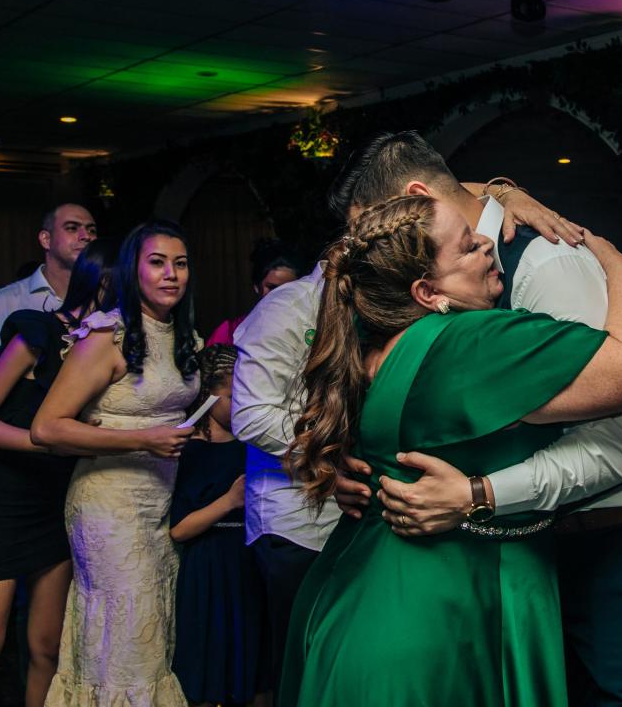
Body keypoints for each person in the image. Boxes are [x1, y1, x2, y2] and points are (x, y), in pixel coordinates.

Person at [328, 131, 622, 707]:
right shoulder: (434, 294)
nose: (377, 253)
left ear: (418, 199)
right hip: (517, 552)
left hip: (613, 533)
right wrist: (355, 462)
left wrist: (476, 494)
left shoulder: (547, 265)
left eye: (385, 227)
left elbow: (614, 442)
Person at [229, 156, 582, 697]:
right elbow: (255, 413)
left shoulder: (408, 327)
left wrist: (504, 192)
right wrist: (328, 453)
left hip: (390, 544)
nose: (376, 236)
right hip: (318, 530)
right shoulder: (408, 328)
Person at [31, 220, 201, 706]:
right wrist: (144, 439)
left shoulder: (182, 335)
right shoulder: (106, 337)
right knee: (125, 645)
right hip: (109, 507)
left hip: (159, 503)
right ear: (132, 271)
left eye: (180, 263)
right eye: (157, 263)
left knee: (148, 634)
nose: (171, 274)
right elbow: (47, 428)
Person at [0, 239, 119, 707]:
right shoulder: (36, 332)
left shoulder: (105, 347)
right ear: (105, 283)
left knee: (47, 648)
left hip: (56, 503)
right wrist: (48, 441)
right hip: (1, 502)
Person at [169, 344, 265, 707]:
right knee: (208, 670)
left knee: (251, 668)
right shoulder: (190, 450)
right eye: (232, 396)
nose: (241, 404)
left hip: (248, 563)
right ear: (208, 395)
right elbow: (179, 530)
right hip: (208, 569)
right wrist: (229, 501)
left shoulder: (253, 445)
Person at [0, 203, 97, 405]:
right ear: (46, 239)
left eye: (91, 230)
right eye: (72, 228)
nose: (86, 236)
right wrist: (10, 394)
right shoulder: (4, 303)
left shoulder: (105, 300)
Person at [206, 239, 303, 347]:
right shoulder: (228, 333)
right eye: (272, 288)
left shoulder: (308, 331)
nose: (280, 295)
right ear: (257, 287)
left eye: (288, 289)